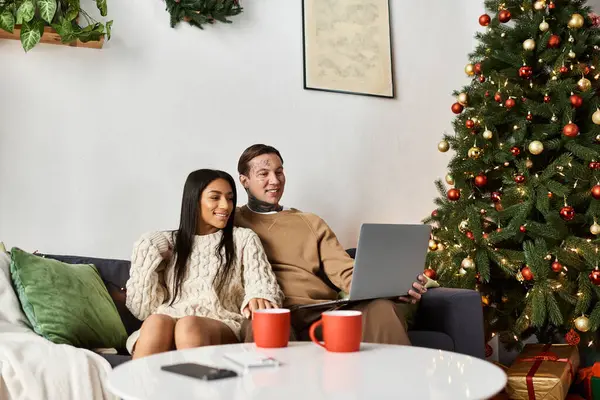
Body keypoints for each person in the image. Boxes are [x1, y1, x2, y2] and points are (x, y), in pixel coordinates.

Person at [234, 144, 427, 345]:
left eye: (279, 172)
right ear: (244, 180)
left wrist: (393, 287)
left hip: (320, 313)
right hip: (271, 311)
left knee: (382, 309)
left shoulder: (309, 221)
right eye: (263, 174)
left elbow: (345, 272)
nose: (274, 181)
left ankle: (401, 376)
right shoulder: (231, 221)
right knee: (262, 324)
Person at [125, 169, 283, 359]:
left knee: (188, 325)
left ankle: (200, 387)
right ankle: (139, 388)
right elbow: (142, 310)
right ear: (194, 200)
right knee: (155, 322)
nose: (225, 205)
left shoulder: (242, 239)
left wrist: (259, 294)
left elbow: (261, 284)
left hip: (220, 323)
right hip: (164, 323)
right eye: (215, 197)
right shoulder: (166, 244)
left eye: (230, 198)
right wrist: (148, 248)